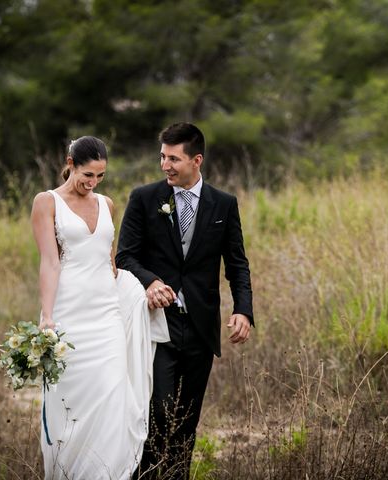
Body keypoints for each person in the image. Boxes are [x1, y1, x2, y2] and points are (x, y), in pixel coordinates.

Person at [116, 122, 254, 479]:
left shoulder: (224, 204)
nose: (165, 165)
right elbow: (125, 257)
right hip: (156, 325)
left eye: (173, 158)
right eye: (162, 156)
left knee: (187, 420)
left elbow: (237, 264)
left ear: (197, 160)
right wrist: (150, 282)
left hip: (200, 329)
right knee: (159, 413)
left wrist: (243, 310)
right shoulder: (144, 198)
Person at [31, 136, 168, 480]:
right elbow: (50, 263)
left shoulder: (107, 204)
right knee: (72, 404)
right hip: (69, 312)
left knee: (111, 396)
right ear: (70, 163)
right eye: (87, 175)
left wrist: (140, 291)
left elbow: (110, 263)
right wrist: (47, 318)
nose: (92, 183)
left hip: (106, 315)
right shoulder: (46, 202)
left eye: (100, 177)